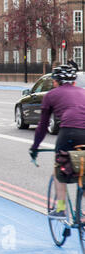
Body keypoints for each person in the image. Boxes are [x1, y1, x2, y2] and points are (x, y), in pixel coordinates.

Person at [30, 64, 85, 219]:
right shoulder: (83, 92)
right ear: (74, 81)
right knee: (84, 170)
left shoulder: (51, 95)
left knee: (59, 169)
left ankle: (61, 209)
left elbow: (42, 126)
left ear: (55, 81)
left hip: (69, 132)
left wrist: (35, 148)